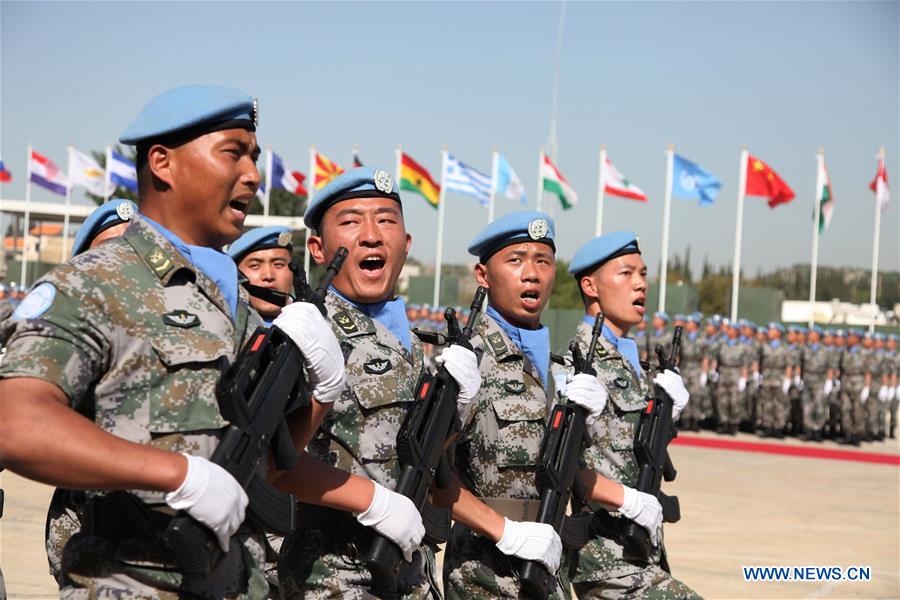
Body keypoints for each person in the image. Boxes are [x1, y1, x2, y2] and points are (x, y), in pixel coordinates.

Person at [0, 85, 349, 597]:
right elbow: (16, 423)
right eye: (234, 152)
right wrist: (177, 474)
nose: (252, 174)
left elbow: (269, 465)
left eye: (254, 156)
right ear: (162, 163)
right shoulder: (92, 282)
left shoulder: (232, 306)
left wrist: (321, 390)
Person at [277, 167, 485, 598]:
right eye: (352, 221)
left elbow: (406, 450)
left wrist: (455, 413)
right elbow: (273, 460)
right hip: (334, 572)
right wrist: (370, 500)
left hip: (413, 572)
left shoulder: (409, 341)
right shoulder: (308, 332)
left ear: (405, 245)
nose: (372, 235)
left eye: (386, 220)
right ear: (318, 248)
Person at [438, 211, 567, 598]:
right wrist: (504, 530)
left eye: (542, 261)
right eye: (516, 260)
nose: (532, 273)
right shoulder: (469, 360)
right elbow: (431, 474)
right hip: (484, 572)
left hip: (547, 566)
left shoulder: (560, 370)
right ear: (483, 276)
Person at [562, 231, 698, 599]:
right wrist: (628, 499)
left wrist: (668, 419)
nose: (640, 284)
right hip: (605, 558)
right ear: (590, 285)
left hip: (641, 554)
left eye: (643, 274)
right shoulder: (576, 366)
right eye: (625, 274)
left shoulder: (632, 361)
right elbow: (563, 464)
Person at [227, 226, 295, 326]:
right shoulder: (222, 324)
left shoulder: (313, 323)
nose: (268, 275)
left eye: (278, 264)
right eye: (255, 266)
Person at [711, 320, 751, 435]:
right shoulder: (722, 344)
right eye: (728, 329)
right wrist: (714, 371)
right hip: (723, 372)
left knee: (734, 401)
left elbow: (745, 364)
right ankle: (723, 423)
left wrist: (743, 378)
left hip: (735, 374)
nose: (728, 331)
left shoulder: (743, 346)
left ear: (737, 331)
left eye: (731, 329)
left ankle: (733, 424)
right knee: (722, 400)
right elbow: (716, 359)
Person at [801, 326, 832, 442]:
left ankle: (818, 431)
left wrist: (829, 381)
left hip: (820, 381)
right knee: (807, 407)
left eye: (812, 333)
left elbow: (830, 367)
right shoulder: (805, 349)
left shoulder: (825, 350)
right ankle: (808, 431)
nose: (810, 335)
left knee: (819, 407)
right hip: (807, 380)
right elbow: (801, 364)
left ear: (818, 335)